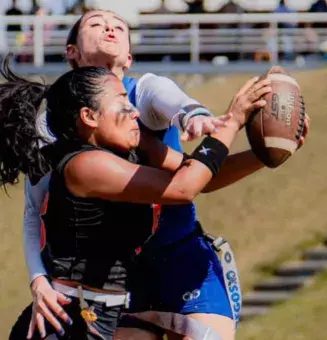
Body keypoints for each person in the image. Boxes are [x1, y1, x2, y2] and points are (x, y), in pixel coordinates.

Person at [10, 9, 308, 340]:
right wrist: (231, 121)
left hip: (170, 262)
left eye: (119, 26)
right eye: (95, 23)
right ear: (72, 52)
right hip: (97, 300)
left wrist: (259, 152)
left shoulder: (141, 115)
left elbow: (194, 169)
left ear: (130, 57)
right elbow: (183, 187)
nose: (110, 27)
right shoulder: (78, 156)